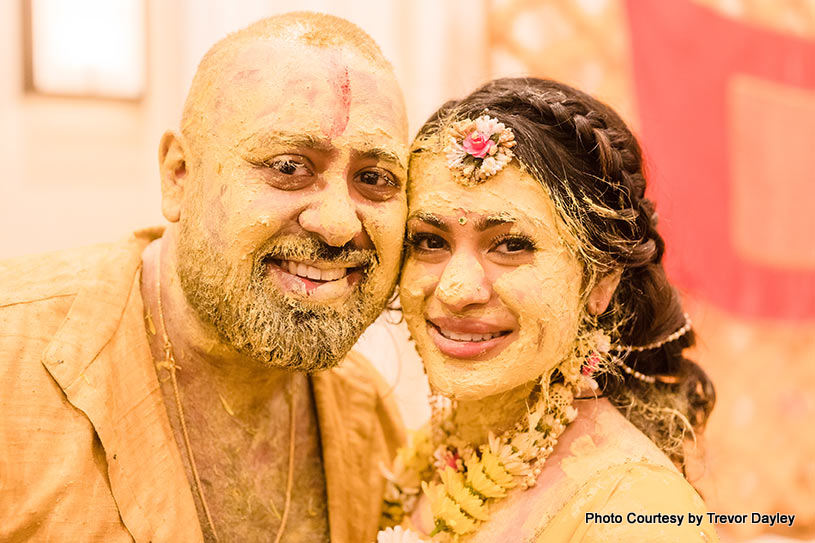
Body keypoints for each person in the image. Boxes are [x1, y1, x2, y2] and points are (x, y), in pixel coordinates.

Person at [0, 12, 409, 543]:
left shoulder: (367, 414)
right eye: (289, 167)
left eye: (375, 179)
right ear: (178, 175)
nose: (336, 224)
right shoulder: (13, 355)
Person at [376, 78, 719, 542]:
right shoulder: (426, 462)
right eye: (429, 242)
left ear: (600, 281)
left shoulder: (635, 512)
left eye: (512, 245)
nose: (457, 291)